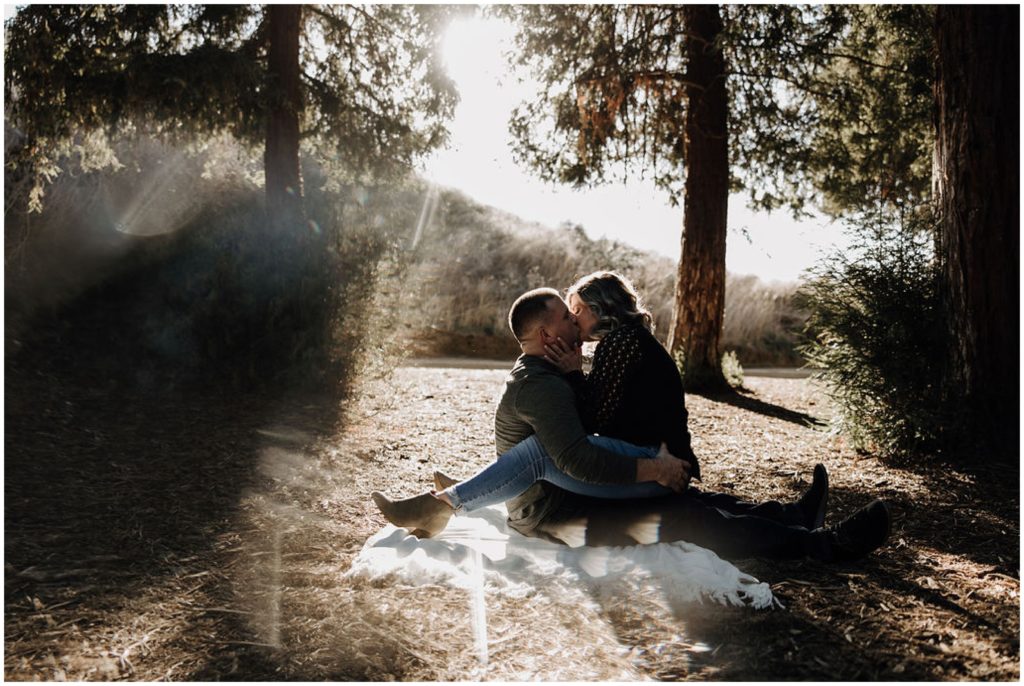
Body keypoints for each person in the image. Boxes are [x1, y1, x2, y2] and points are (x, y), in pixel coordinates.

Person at [373, 286, 891, 562]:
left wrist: (652, 464)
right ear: (540, 333)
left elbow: (586, 431)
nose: (576, 326)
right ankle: (826, 547)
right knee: (684, 518)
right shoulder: (539, 385)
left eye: (577, 318)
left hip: (568, 494)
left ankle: (794, 515)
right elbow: (578, 457)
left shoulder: (552, 375)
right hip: (552, 513)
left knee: (685, 503)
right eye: (565, 320)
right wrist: (652, 470)